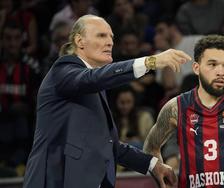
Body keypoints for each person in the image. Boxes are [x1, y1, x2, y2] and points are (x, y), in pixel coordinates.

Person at [23, 14, 192, 188]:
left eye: (111, 37)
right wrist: (150, 61)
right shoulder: (63, 70)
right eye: (101, 35)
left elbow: (109, 144)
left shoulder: (96, 86)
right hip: (56, 179)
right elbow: (91, 79)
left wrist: (152, 164)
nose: (110, 42)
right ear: (80, 41)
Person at [143, 35, 224, 187]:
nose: (220, 71)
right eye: (212, 64)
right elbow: (150, 147)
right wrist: (160, 171)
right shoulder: (176, 107)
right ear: (196, 68)